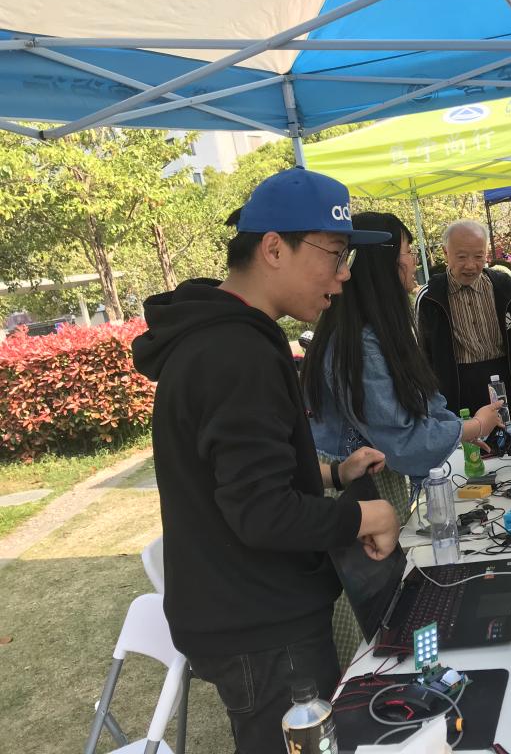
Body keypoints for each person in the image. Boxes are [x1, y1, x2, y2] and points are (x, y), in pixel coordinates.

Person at [131, 168, 401, 754]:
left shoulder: (224, 337)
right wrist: (365, 516)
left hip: (248, 610)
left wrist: (331, 474)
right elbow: (260, 511)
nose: (344, 274)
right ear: (274, 248)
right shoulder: (235, 351)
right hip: (261, 624)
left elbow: (232, 475)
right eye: (335, 254)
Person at [301, 211, 505, 665]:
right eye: (409, 252)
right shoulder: (359, 344)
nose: (415, 262)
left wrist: (455, 429)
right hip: (354, 500)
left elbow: (425, 402)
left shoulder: (380, 330)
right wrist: (471, 428)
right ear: (388, 264)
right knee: (371, 633)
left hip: (376, 493)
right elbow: (402, 442)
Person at [416, 220, 511, 425]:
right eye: (461, 257)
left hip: (506, 386)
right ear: (446, 253)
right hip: (458, 394)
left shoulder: (503, 287)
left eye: (478, 256)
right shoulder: (430, 297)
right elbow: (424, 358)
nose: (471, 265)